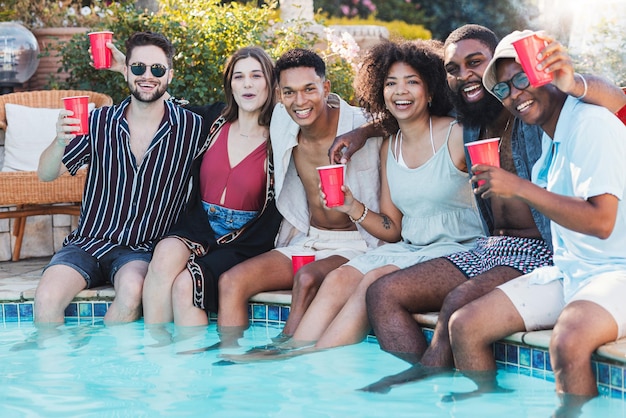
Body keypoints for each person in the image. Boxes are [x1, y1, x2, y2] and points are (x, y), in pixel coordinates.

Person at [325, 25, 626, 394]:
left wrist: (572, 81)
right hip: (491, 248)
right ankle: (424, 384)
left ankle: (424, 383)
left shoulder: (540, 114)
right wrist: (363, 133)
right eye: (453, 69)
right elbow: (407, 108)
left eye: (475, 63)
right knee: (382, 293)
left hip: (542, 251)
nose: (465, 75)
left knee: (458, 305)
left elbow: (612, 101)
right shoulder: (472, 115)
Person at [220, 39, 485, 363]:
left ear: (430, 89)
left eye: (411, 82)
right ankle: (287, 354)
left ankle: (303, 355)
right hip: (397, 246)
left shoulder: (457, 134)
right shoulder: (388, 145)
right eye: (391, 84)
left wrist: (361, 133)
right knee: (339, 278)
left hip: (446, 247)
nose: (400, 91)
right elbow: (391, 227)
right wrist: (351, 205)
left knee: (365, 281)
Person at [446, 30, 626, 415]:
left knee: (568, 341)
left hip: (618, 272)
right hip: (571, 272)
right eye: (505, 88)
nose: (516, 93)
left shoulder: (589, 124)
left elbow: (602, 222)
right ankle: (485, 409)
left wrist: (521, 188)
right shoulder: (549, 136)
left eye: (523, 78)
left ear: (549, 73)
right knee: (465, 325)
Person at [200, 48, 382, 349]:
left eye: (309, 89)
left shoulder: (356, 122)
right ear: (279, 95)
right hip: (309, 238)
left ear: (326, 88)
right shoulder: (282, 121)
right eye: (289, 92)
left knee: (307, 278)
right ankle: (229, 361)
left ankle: (282, 349)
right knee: (231, 282)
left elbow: (401, 117)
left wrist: (363, 133)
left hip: (358, 243)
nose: (300, 101)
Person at [34, 32, 205, 324]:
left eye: (157, 69)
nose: (147, 76)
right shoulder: (99, 121)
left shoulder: (191, 128)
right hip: (86, 243)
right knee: (46, 300)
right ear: (125, 71)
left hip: (140, 250)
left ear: (170, 75)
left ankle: (103, 367)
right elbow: (45, 174)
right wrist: (60, 141)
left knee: (131, 294)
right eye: (137, 68)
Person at [139, 47, 282, 327]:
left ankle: (190, 364)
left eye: (256, 75)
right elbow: (170, 105)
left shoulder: (282, 134)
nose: (248, 84)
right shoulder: (214, 120)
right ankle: (155, 355)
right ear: (230, 84)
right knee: (164, 256)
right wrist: (130, 67)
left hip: (243, 240)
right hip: (200, 223)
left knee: (185, 286)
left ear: (270, 82)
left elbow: (321, 116)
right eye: (239, 77)